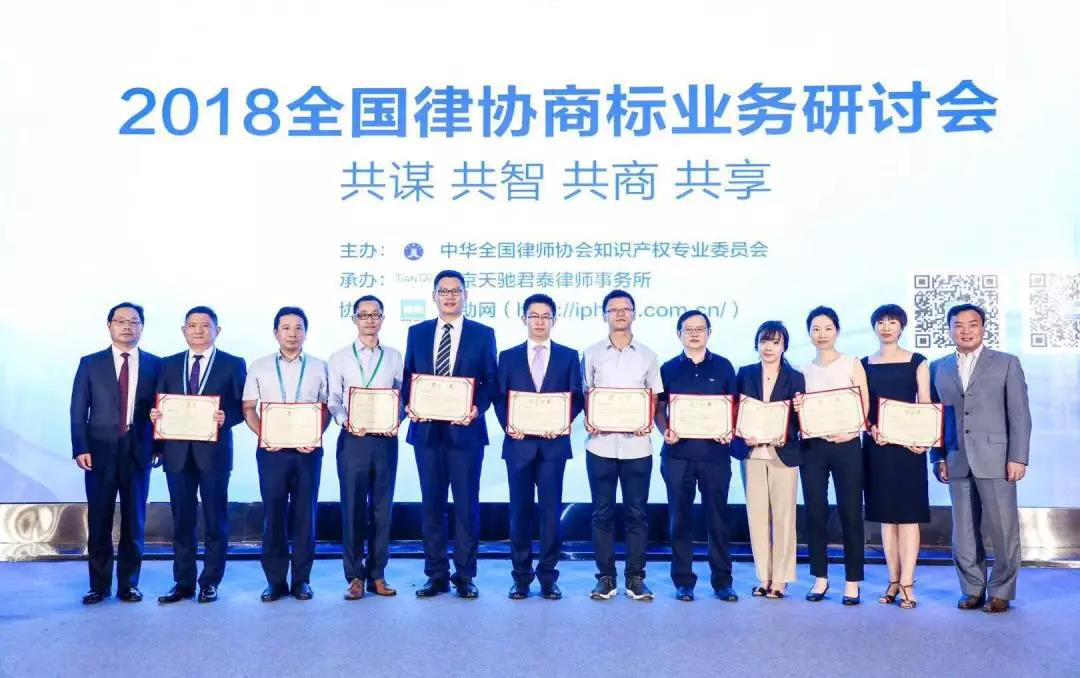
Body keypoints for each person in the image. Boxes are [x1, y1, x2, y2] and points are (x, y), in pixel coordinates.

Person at [401, 270, 498, 598]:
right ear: (434, 296)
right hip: (427, 433)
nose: (450, 296)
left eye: (456, 291)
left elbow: (491, 381)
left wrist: (477, 408)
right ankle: (436, 574)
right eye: (444, 291)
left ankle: (465, 575)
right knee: (432, 506)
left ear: (465, 296)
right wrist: (409, 404)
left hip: (466, 433)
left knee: (467, 506)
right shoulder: (417, 332)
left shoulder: (482, 334)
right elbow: (408, 378)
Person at [930, 303, 1031, 613]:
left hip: (997, 458)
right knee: (963, 531)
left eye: (972, 324)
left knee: (1003, 530)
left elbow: (1019, 415)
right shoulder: (938, 367)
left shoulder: (1006, 363)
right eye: (958, 325)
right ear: (949, 330)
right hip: (956, 458)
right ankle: (972, 589)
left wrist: (1018, 457)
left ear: (983, 328)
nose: (965, 331)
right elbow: (935, 417)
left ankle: (1001, 591)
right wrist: (937, 457)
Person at [152, 306, 247, 604]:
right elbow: (158, 405)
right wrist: (156, 417)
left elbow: (242, 406)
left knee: (216, 521)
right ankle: (183, 583)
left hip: (214, 455)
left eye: (205, 325)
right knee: (182, 521)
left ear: (217, 330)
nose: (198, 330)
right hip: (176, 454)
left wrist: (227, 417)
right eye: (192, 325)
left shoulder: (233, 364)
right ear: (183, 331)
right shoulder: (167, 364)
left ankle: (210, 582)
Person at [70, 302, 162, 604]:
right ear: (109, 325)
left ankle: (129, 585)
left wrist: (158, 447)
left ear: (142, 327)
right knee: (100, 520)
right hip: (99, 451)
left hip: (139, 449)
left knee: (135, 521)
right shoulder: (90, 363)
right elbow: (78, 410)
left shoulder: (156, 364)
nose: (127, 326)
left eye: (134, 321)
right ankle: (98, 585)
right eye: (120, 321)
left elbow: (163, 410)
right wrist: (81, 447)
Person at [494, 293, 584, 600]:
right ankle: (520, 578)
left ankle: (548, 577)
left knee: (550, 514)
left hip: (552, 446)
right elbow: (499, 397)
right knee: (519, 513)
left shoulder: (569, 356)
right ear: (524, 319)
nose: (540, 321)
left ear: (554, 320)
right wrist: (510, 425)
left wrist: (559, 422)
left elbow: (577, 397)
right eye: (534, 315)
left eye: (546, 316)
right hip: (518, 446)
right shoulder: (507, 356)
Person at [241, 307, 330, 602]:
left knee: (306, 516)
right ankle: (275, 581)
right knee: (274, 515)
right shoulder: (259, 366)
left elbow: (326, 407)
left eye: (298, 328)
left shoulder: (320, 366)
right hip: (272, 453)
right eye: (286, 328)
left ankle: (302, 580)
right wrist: (265, 435)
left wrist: (315, 434)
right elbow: (248, 407)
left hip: (308, 452)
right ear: (276, 332)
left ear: (306, 332)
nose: (292, 333)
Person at [581, 289, 663, 601]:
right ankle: (605, 577)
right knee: (601, 514)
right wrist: (590, 417)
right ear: (604, 315)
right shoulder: (591, 353)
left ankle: (635, 578)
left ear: (634, 314)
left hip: (637, 447)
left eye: (625, 309)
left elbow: (654, 398)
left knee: (637, 514)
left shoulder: (648, 355)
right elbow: (586, 394)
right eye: (613, 309)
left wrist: (647, 420)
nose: (619, 314)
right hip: (600, 446)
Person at [654, 310, 738, 602]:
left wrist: (730, 429)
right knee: (679, 520)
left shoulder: (724, 366)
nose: (694, 333)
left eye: (699, 328)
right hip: (677, 456)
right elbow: (659, 408)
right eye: (687, 329)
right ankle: (683, 581)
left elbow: (734, 407)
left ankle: (722, 582)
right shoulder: (667, 368)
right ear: (679, 334)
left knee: (718, 520)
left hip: (715, 455)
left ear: (709, 333)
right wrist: (665, 430)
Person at [327, 295, 405, 600]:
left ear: (382, 319)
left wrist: (397, 417)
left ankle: (378, 574)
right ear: (354, 319)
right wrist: (345, 420)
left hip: (385, 440)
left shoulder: (395, 357)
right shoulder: (339, 358)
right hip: (353, 440)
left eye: (375, 315)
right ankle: (355, 577)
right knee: (353, 509)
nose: (370, 320)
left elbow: (402, 396)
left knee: (382, 510)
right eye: (364, 315)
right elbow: (334, 400)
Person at [794, 306, 870, 605]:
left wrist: (852, 431)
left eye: (827, 328)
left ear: (837, 331)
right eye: (815, 329)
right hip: (813, 446)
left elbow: (864, 403)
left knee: (851, 512)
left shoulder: (852, 363)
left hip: (847, 445)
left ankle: (852, 581)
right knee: (815, 512)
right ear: (809, 333)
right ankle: (820, 578)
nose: (821, 334)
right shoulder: (802, 370)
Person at [861, 305, 931, 609]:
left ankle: (908, 583)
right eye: (880, 322)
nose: (886, 327)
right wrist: (870, 428)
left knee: (909, 516)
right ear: (874, 327)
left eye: (892, 322)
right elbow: (862, 407)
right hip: (878, 446)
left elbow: (925, 404)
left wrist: (923, 439)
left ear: (901, 326)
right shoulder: (864, 363)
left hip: (909, 447)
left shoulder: (918, 361)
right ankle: (892, 579)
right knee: (887, 517)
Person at [731, 321, 804, 599]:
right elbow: (735, 410)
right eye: (764, 341)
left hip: (783, 454)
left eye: (775, 342)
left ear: (784, 346)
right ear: (757, 344)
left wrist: (789, 429)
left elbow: (801, 419)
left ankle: (781, 578)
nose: (768, 347)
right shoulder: (745, 373)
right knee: (757, 516)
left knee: (784, 517)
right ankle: (764, 576)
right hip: (751, 454)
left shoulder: (796, 377)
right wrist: (741, 432)